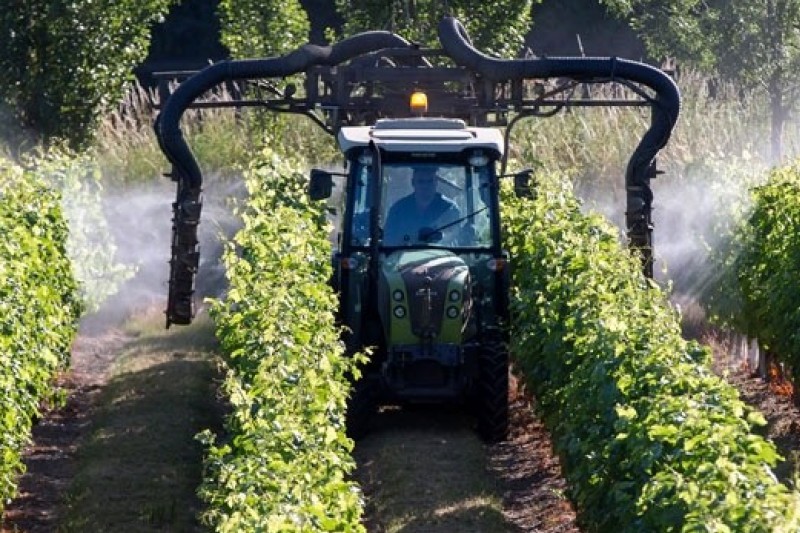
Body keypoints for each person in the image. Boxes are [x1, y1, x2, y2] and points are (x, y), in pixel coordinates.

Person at [383, 166, 461, 245]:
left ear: (436, 182)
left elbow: (455, 235)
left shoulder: (450, 209)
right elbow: (388, 240)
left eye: (430, 181)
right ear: (413, 183)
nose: (425, 186)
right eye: (421, 181)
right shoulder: (398, 210)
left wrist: (441, 237)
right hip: (406, 255)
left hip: (442, 255)